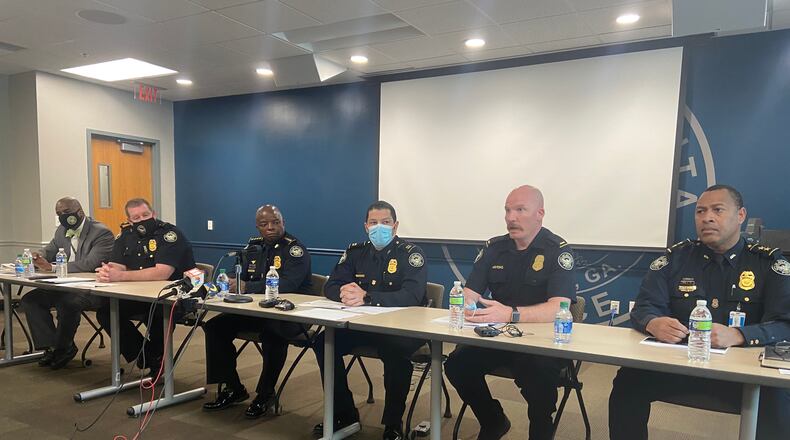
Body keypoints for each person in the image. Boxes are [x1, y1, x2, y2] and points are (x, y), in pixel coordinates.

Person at [609, 184, 790, 440]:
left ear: (740, 216)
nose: (707, 218)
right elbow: (644, 306)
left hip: (743, 376)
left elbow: (785, 323)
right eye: (700, 211)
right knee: (627, 381)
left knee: (778, 397)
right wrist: (653, 322)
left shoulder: (768, 263)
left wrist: (740, 334)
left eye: (717, 210)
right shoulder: (676, 258)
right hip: (679, 366)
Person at [444, 185, 576, 440]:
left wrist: (511, 314)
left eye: (520, 210)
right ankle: (493, 421)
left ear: (540, 213)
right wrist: (465, 306)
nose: (510, 218)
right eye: (507, 210)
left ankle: (540, 432)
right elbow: (470, 292)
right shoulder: (494, 248)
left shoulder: (557, 251)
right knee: (457, 365)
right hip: (498, 336)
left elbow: (560, 307)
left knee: (538, 375)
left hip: (539, 342)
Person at [312, 201, 427, 440]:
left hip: (399, 328)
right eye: (373, 223)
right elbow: (331, 285)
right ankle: (344, 413)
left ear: (395, 226)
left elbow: (413, 295)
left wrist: (367, 297)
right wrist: (346, 293)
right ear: (365, 226)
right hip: (362, 324)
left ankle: (393, 423)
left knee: (395, 352)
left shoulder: (410, 254)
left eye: (385, 223)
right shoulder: (356, 252)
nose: (379, 228)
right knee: (323, 342)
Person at [202, 205, 312, 418]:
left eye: (275, 222)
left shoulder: (295, 249)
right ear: (257, 227)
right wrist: (235, 285)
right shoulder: (252, 248)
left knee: (273, 333)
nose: (270, 227)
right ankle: (233, 388)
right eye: (264, 224)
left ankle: (265, 393)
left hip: (292, 315)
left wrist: (246, 286)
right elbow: (241, 275)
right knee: (215, 326)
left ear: (283, 222)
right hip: (257, 311)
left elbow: (288, 283)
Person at [95, 198, 196, 371]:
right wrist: (108, 272)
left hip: (171, 298)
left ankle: (156, 358)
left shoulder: (169, 235)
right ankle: (144, 356)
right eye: (136, 218)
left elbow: (161, 273)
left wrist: (120, 276)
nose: (142, 220)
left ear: (154, 214)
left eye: (146, 215)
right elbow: (117, 265)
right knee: (106, 312)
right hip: (139, 295)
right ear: (129, 221)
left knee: (158, 313)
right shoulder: (126, 235)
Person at [20, 197, 114, 369]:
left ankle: (64, 348)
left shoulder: (101, 232)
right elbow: (50, 250)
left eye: (65, 212)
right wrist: (37, 256)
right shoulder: (62, 231)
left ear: (80, 212)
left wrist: (53, 268)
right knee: (30, 300)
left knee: (67, 303)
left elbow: (90, 264)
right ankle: (52, 346)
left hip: (91, 288)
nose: (62, 217)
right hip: (65, 285)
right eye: (58, 214)